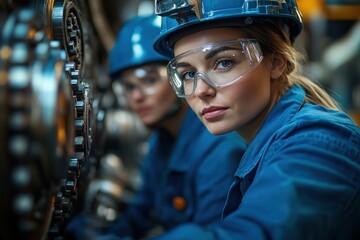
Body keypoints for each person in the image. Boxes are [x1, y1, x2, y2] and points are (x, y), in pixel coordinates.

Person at [149, 0, 360, 239]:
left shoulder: (319, 142)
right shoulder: (271, 141)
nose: (200, 91)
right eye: (188, 74)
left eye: (223, 63)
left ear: (276, 62)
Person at [64, 14, 246, 240]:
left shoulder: (218, 149)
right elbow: (141, 212)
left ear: (179, 77)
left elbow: (211, 234)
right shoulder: (161, 142)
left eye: (149, 81)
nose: (137, 96)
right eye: (129, 87)